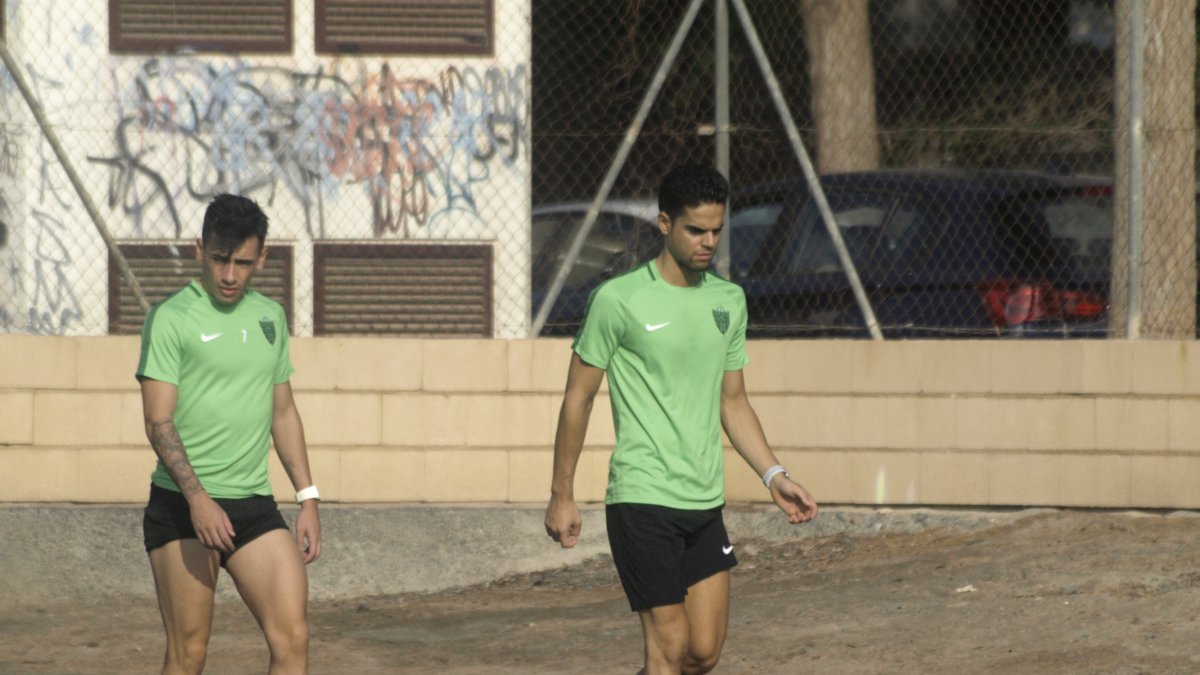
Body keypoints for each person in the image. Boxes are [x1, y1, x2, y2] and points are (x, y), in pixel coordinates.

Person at [544, 164, 819, 674]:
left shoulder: (728, 300)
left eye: (717, 229)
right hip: (642, 498)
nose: (709, 241)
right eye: (696, 230)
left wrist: (774, 475)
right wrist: (562, 494)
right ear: (665, 223)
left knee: (702, 653)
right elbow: (577, 398)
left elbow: (733, 401)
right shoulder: (619, 300)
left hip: (704, 501)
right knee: (670, 645)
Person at [137, 194, 321, 675]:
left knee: (293, 639)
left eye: (242, 262)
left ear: (262, 258)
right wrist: (198, 500)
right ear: (200, 249)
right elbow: (158, 422)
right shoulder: (171, 318)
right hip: (183, 507)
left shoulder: (269, 317)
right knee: (189, 654)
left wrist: (308, 498)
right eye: (220, 259)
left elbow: (283, 412)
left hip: (252, 505)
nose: (230, 275)